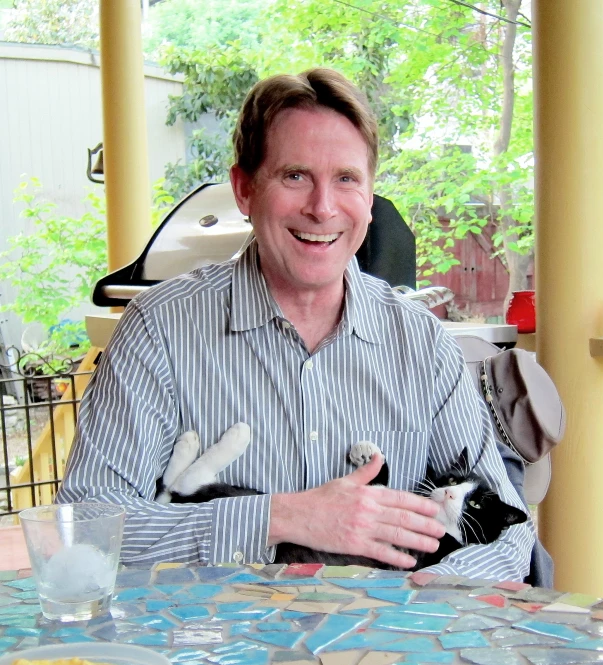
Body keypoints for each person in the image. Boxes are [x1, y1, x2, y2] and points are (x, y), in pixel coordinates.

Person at [57, 68, 534, 579]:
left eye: (346, 179)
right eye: (295, 176)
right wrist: (279, 518)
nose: (322, 208)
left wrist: (422, 591)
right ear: (244, 190)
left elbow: (511, 536)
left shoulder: (421, 343)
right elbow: (85, 526)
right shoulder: (160, 329)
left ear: (370, 198)